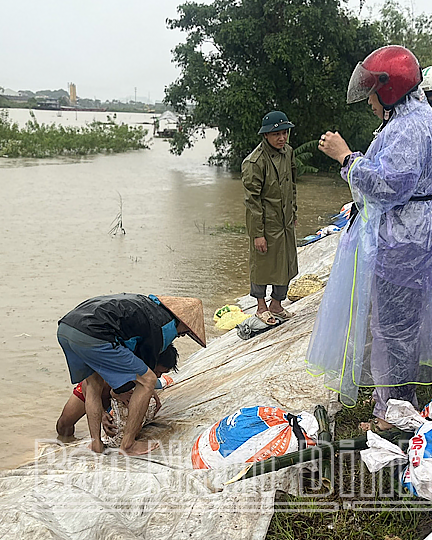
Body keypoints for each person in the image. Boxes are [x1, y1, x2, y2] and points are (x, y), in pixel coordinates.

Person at [316, 45, 432, 424]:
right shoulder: (417, 117)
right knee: (400, 325)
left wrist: (346, 158)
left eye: (373, 93)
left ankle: (393, 413)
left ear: (389, 90)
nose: (370, 102)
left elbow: (390, 186)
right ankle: (395, 402)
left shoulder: (408, 126)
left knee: (394, 329)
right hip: (413, 231)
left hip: (404, 238)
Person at [57, 293, 206, 455]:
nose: (180, 335)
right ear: (182, 322)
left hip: (67, 327)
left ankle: (96, 444)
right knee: (147, 381)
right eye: (184, 332)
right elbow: (146, 370)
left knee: (94, 384)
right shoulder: (165, 326)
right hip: (95, 335)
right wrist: (127, 390)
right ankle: (128, 444)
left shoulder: (145, 305)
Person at [243, 110, 299, 325]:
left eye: (285, 133)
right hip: (267, 223)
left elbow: (292, 185)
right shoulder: (255, 162)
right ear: (265, 135)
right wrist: (258, 234)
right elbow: (252, 202)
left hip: (285, 222)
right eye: (277, 134)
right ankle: (261, 307)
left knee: (285, 263)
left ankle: (277, 304)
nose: (282, 138)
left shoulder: (288, 153)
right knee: (262, 263)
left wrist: (293, 212)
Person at [56, 345, 178, 437]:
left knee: (115, 431)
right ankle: (66, 444)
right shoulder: (124, 358)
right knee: (64, 424)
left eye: (161, 373)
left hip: (116, 396)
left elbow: (147, 386)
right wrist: (101, 413)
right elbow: (89, 385)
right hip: (94, 391)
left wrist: (151, 391)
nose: (157, 375)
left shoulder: (147, 376)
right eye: (157, 372)